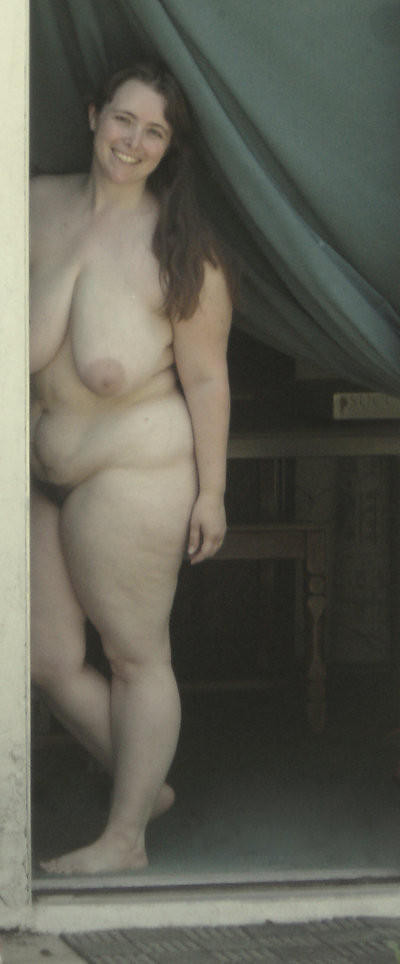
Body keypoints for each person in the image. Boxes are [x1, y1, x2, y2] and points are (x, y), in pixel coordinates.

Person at [30, 58, 233, 875]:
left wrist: (213, 492)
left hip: (138, 470)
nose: (133, 141)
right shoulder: (30, 206)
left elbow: (208, 379)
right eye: (124, 119)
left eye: (154, 131)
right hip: (39, 471)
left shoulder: (179, 251)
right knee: (45, 660)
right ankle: (143, 783)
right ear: (93, 115)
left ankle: (126, 839)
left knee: (134, 656)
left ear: (168, 147)